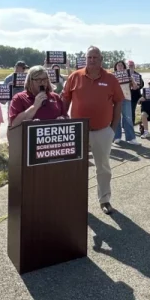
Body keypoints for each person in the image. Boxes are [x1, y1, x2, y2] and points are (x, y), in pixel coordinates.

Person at [62, 46, 125, 215]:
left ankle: (104, 200)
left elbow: (119, 101)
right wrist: (63, 119)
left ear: (101, 59)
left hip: (103, 130)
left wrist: (113, 127)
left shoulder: (110, 79)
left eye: (95, 57)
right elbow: (65, 98)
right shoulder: (75, 76)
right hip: (77, 131)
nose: (92, 60)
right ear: (85, 59)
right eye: (89, 57)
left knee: (103, 167)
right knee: (75, 167)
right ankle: (74, 199)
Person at [112, 61, 140, 145]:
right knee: (116, 118)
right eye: (118, 65)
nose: (120, 67)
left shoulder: (128, 76)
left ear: (124, 67)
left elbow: (135, 87)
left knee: (128, 118)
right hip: (116, 99)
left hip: (127, 98)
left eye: (121, 65)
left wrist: (132, 80)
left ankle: (131, 138)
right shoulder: (113, 76)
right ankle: (117, 137)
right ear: (116, 68)